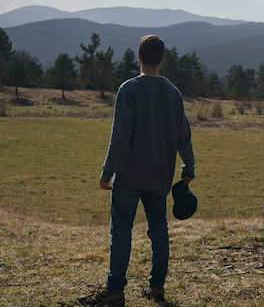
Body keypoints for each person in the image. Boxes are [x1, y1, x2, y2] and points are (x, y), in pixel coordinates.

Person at [77, 35, 196, 307]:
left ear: (139, 57)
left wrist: (107, 172)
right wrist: (188, 168)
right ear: (162, 58)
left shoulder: (128, 90)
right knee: (159, 231)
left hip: (129, 177)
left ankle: (115, 290)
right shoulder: (174, 93)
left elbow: (120, 137)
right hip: (159, 178)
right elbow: (184, 137)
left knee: (121, 232)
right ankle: (156, 288)